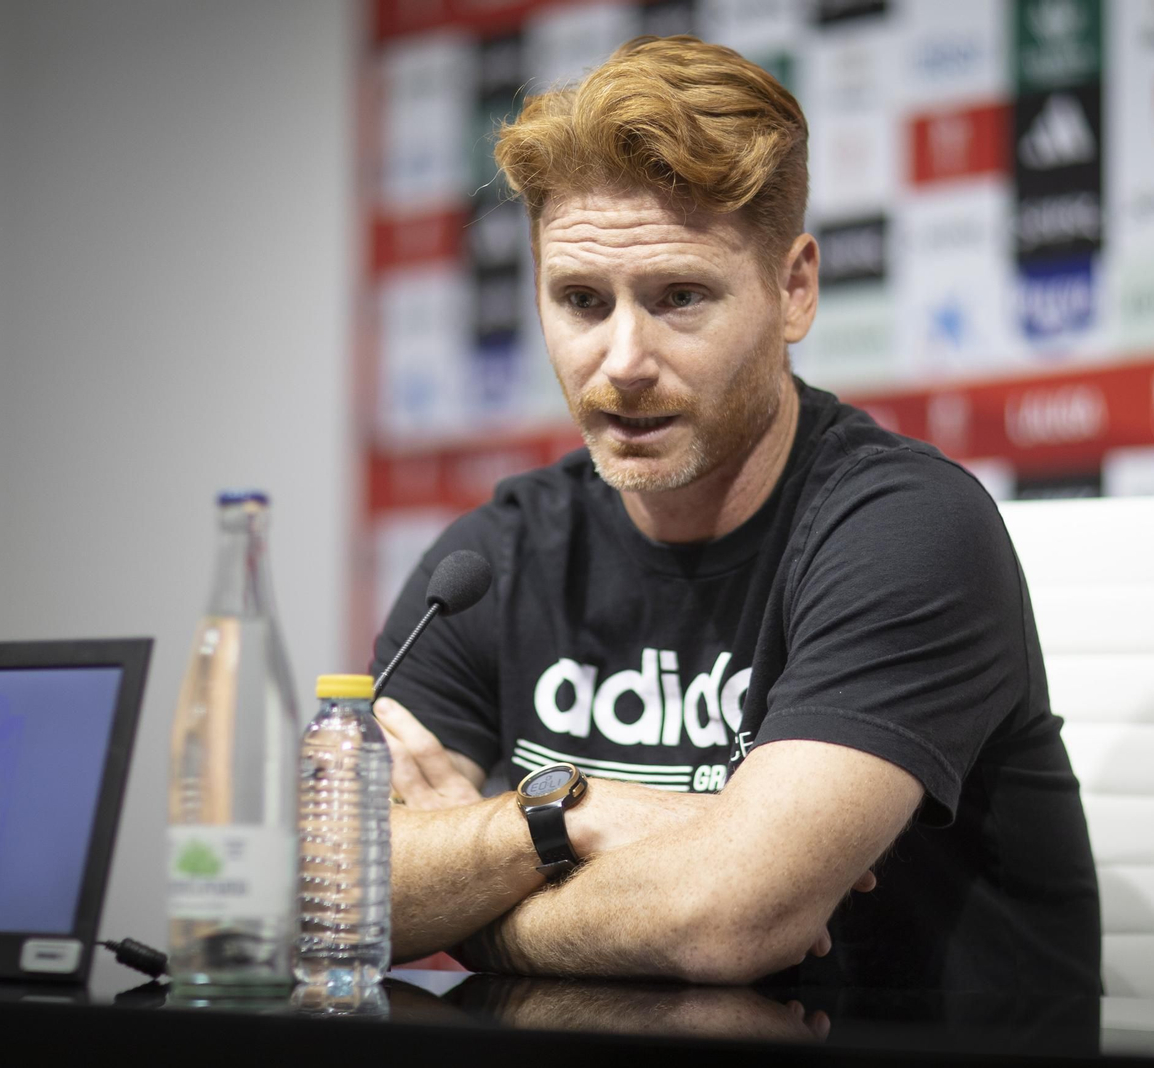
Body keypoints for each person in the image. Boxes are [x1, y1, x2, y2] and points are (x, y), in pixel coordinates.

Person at [373, 35, 1100, 992]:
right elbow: (322, 888)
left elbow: (724, 922)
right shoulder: (493, 559)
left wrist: (472, 906)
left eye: (679, 298)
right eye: (581, 300)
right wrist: (564, 819)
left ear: (793, 289)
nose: (622, 360)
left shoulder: (905, 529)